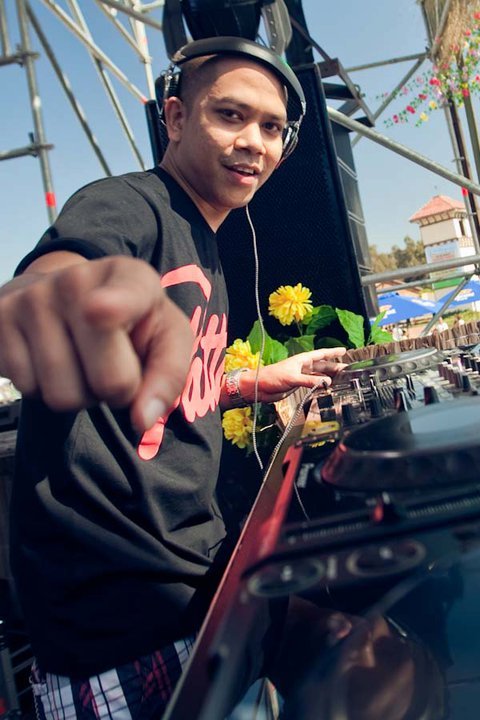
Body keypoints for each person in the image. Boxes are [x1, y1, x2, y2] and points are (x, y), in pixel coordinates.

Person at [0, 37, 347, 719]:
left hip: (197, 577)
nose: (253, 143)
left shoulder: (206, 244)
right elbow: (55, 280)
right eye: (230, 115)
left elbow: (172, 391)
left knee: (365, 654)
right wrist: (54, 300)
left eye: (271, 128)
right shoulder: (130, 205)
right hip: (120, 617)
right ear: (177, 118)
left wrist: (254, 381)